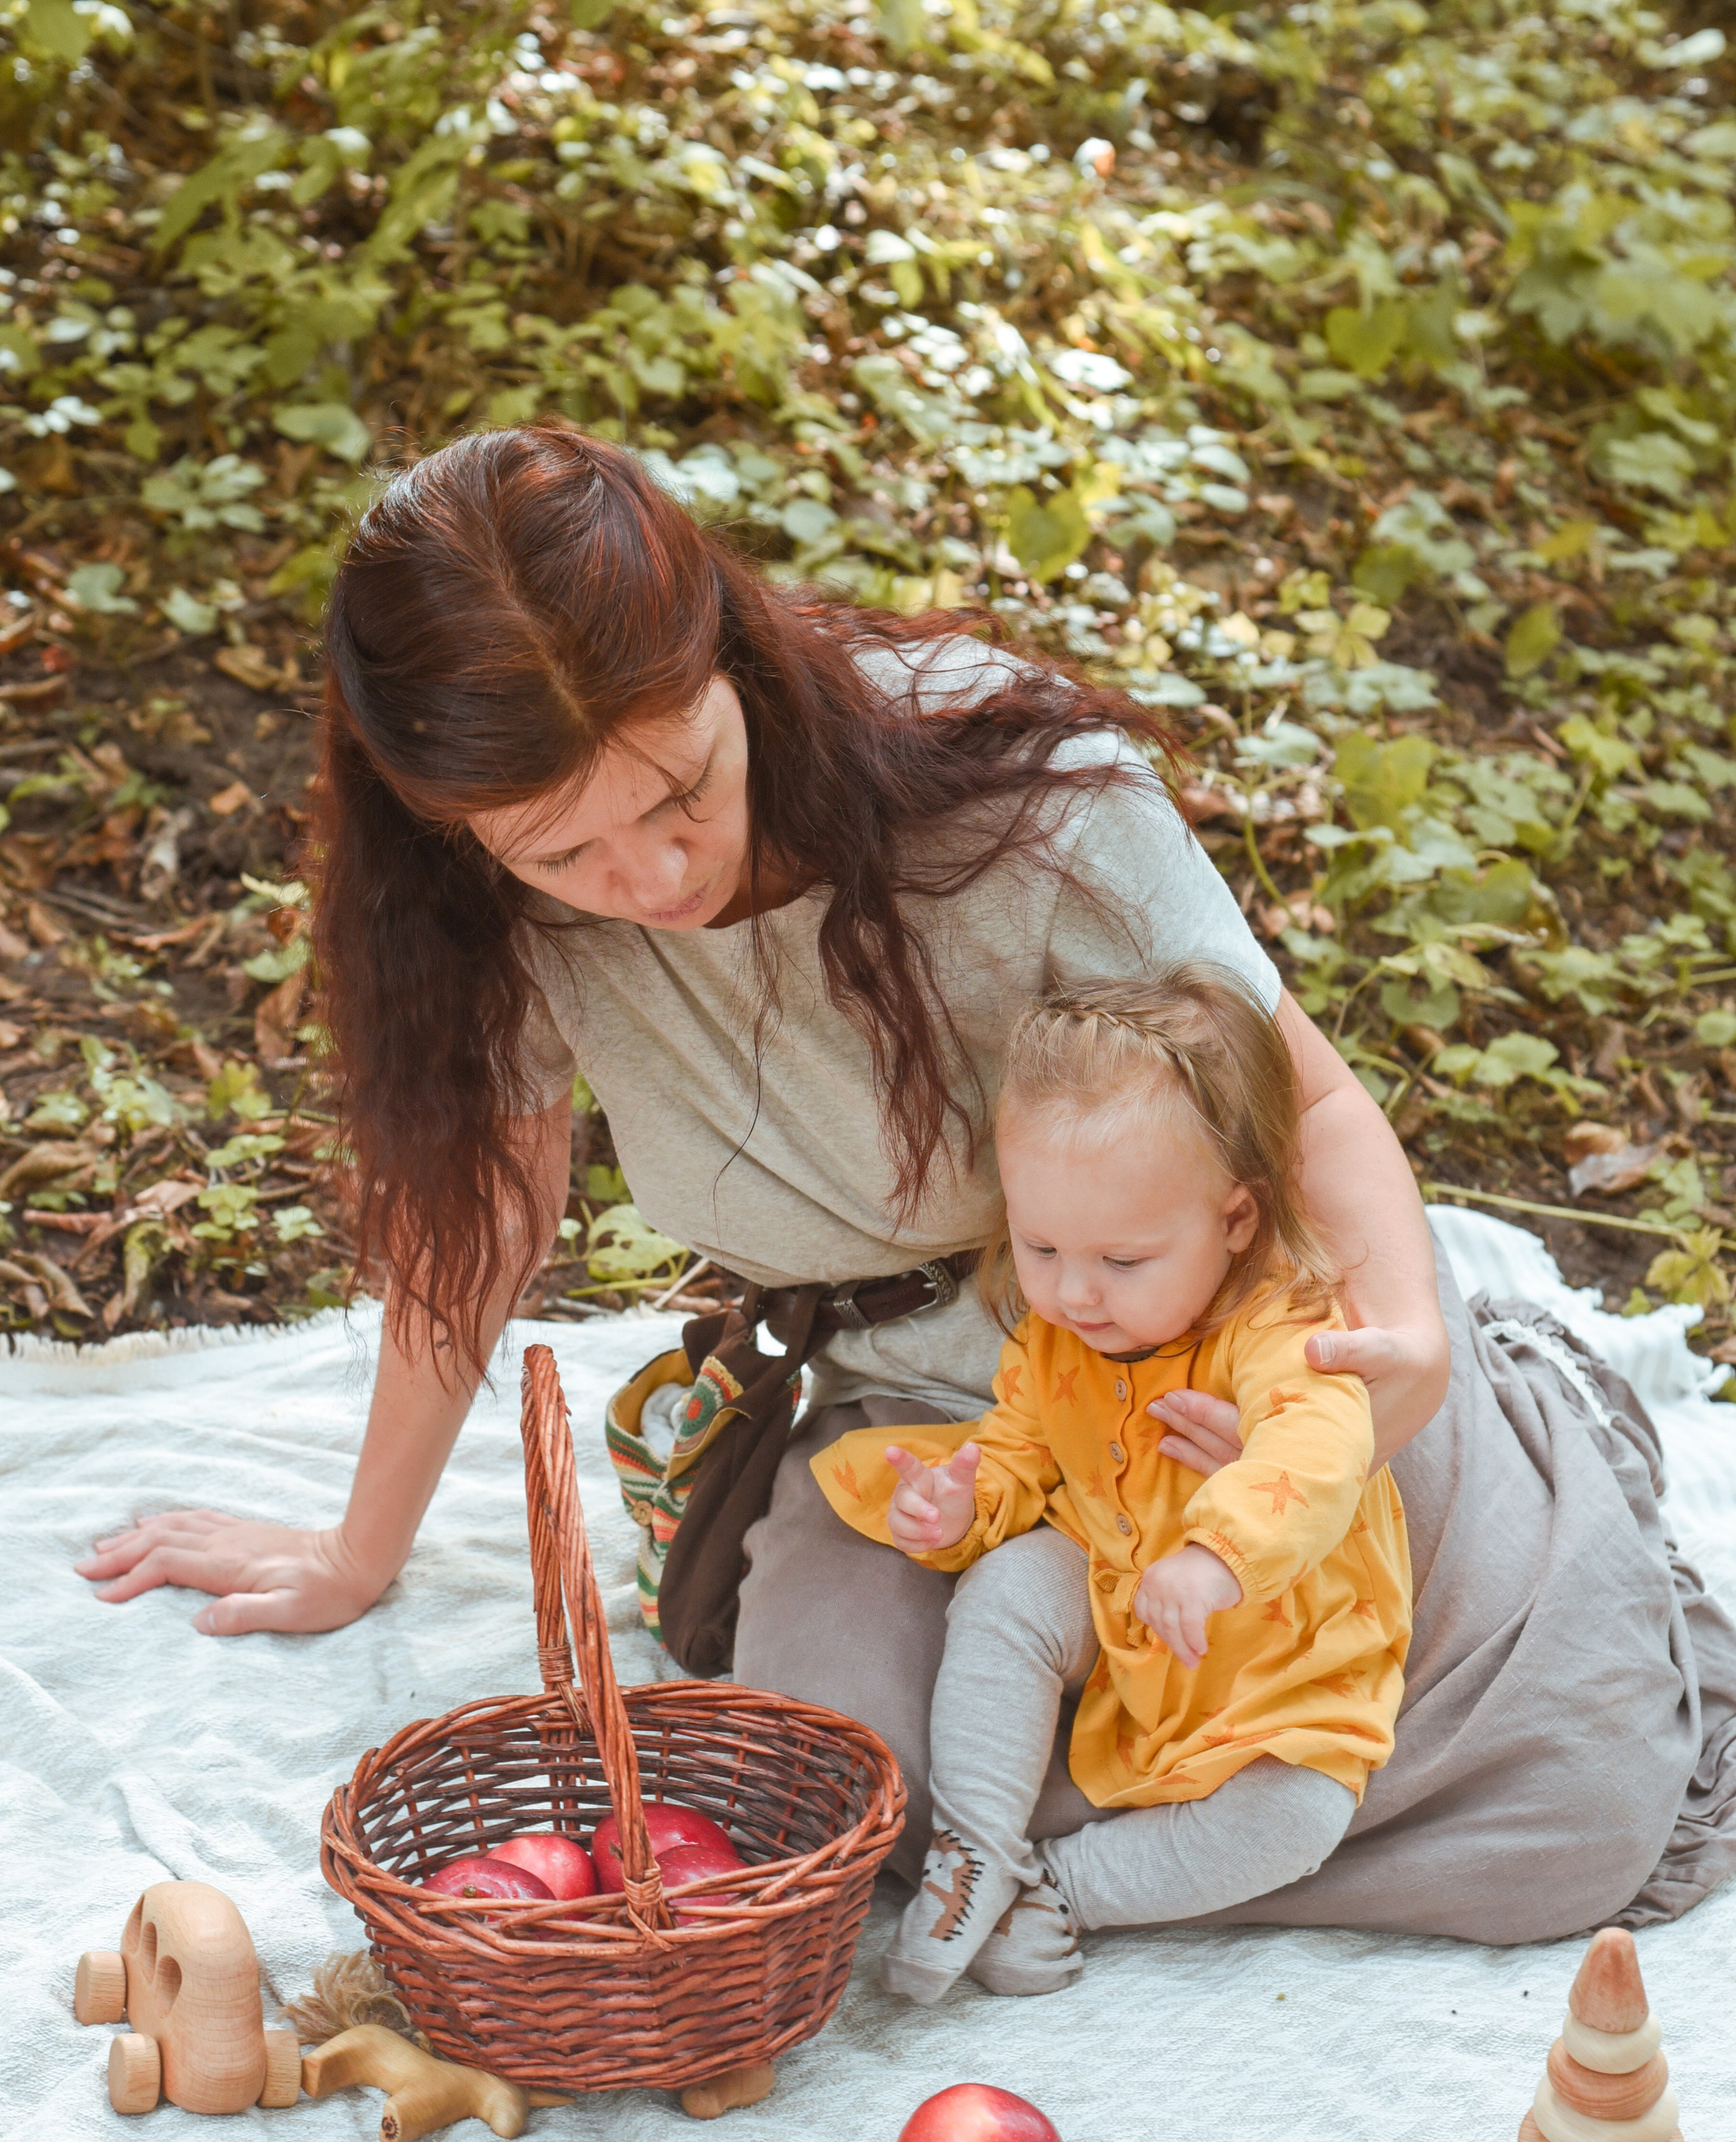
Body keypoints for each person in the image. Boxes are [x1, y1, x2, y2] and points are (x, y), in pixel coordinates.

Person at [77, 426, 1736, 1944]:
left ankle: (1496, 1447)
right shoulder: (483, 909)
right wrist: (358, 1549)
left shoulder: (1018, 791)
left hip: (1203, 1360)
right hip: (932, 1406)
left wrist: (1400, 1339)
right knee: (848, 1798)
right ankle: (1078, 1844)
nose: (648, 877)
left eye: (678, 792)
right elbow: (487, 1224)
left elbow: (1300, 1097)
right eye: (561, 853)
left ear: (725, 656)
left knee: (1557, 1804)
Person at [811, 969, 1410, 2002]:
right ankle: (974, 1847)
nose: (1075, 1292)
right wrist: (960, 1506)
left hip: (1273, 1640)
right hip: (1116, 1583)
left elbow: (1313, 1452)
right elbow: (1018, 1452)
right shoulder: (1057, 1336)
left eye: (1124, 1261)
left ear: (1234, 1219)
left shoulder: (1282, 1324)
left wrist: (1217, 1558)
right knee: (1007, 1586)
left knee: (1300, 1814)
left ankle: (1061, 1889)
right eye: (1040, 1247)